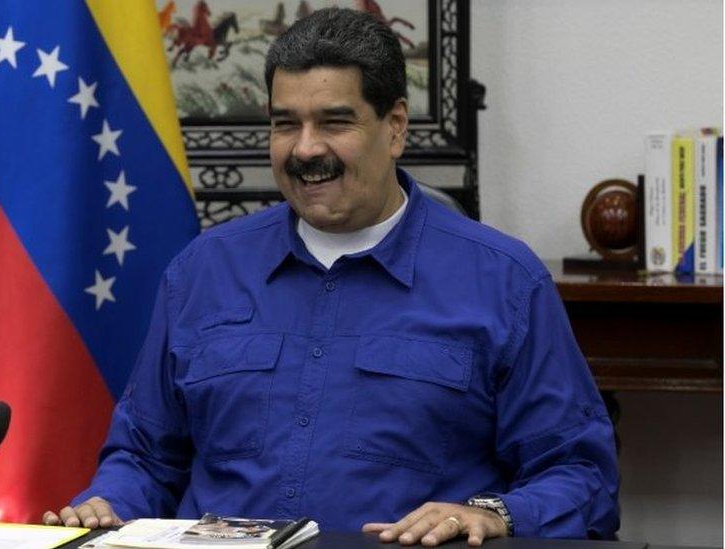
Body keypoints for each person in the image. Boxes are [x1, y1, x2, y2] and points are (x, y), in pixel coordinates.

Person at [44, 7, 619, 545]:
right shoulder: (202, 270)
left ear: (395, 127)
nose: (306, 148)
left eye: (334, 122)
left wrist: (491, 513)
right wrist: (107, 504)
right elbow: (144, 457)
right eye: (285, 124)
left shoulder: (503, 281)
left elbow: (580, 474)